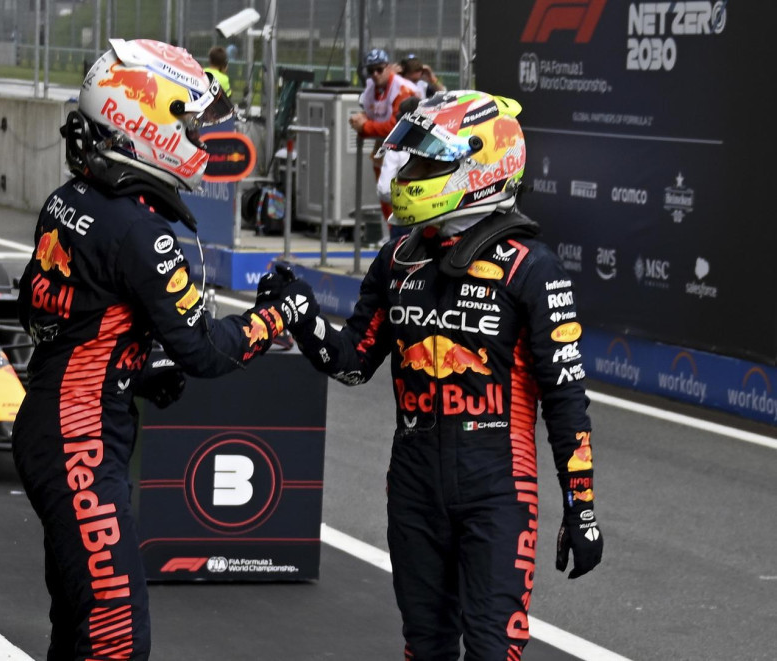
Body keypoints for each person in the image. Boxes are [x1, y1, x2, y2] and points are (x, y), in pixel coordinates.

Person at [259, 90, 604, 659]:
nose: (410, 173)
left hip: (498, 488)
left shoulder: (532, 268)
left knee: (493, 651)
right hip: (414, 483)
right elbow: (352, 364)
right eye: (412, 160)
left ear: (480, 167)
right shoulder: (398, 258)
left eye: (428, 162)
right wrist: (301, 315)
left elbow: (567, 401)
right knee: (426, 647)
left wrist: (582, 507)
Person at [14, 38, 295, 661]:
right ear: (142, 123)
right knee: (116, 638)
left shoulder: (70, 199)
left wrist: (138, 367)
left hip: (58, 419)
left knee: (78, 627)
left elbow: (73, 321)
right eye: (188, 123)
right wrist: (280, 315)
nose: (200, 138)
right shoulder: (142, 231)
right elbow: (206, 352)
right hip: (80, 437)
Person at [349, 48, 418, 228]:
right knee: (384, 196)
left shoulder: (402, 90)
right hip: (383, 148)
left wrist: (364, 127)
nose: (375, 74)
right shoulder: (372, 87)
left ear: (388, 67)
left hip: (407, 149)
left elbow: (394, 125)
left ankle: (403, 235)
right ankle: (392, 234)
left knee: (399, 195)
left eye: (379, 69)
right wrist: (362, 117)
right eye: (371, 71)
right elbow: (371, 112)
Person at [373, 95, 420, 246]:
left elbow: (384, 189)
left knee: (399, 263)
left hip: (404, 219)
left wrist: (405, 199)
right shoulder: (438, 146)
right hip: (434, 220)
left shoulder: (396, 150)